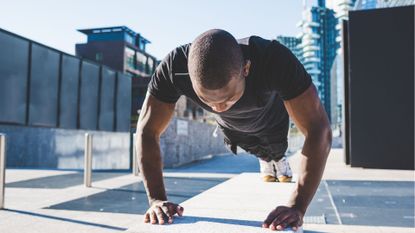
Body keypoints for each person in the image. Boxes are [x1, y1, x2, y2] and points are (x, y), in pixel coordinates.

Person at [136, 29, 332, 231]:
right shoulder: (174, 68)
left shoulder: (273, 59)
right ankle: (265, 158)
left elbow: (319, 129)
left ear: (246, 68)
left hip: (271, 119)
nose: (218, 108)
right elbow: (147, 131)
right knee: (254, 149)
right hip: (231, 126)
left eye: (227, 98)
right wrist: (156, 199)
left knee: (276, 149)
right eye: (207, 100)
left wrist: (297, 206)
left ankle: (277, 159)